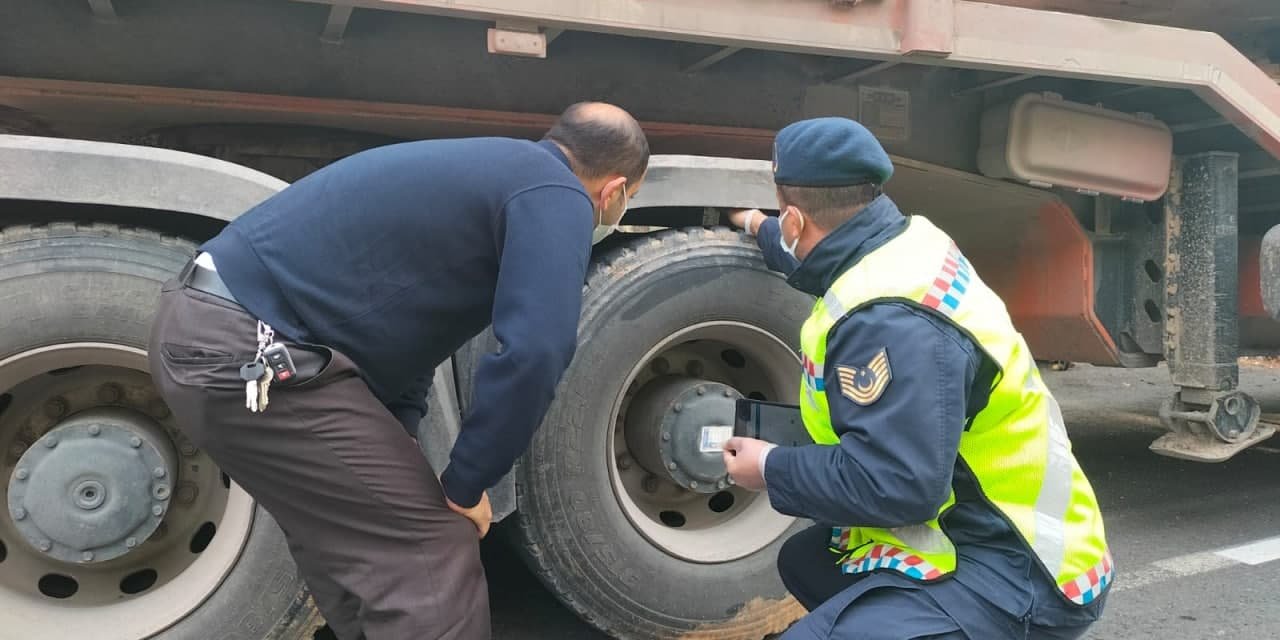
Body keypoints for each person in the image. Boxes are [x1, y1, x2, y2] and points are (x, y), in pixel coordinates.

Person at [147, 102, 649, 639]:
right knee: (429, 551)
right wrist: (466, 484)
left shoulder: (491, 172)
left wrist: (402, 440)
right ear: (615, 189)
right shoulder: (555, 192)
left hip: (213, 333)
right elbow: (537, 349)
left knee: (350, 544)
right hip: (253, 344)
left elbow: (406, 337)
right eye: (626, 201)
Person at [720, 117, 1112, 639]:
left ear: (795, 217)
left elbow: (898, 486)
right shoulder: (902, 241)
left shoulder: (890, 320)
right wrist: (751, 223)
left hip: (1023, 570)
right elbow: (808, 250)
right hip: (989, 523)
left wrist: (770, 466)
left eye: (780, 219)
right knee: (807, 559)